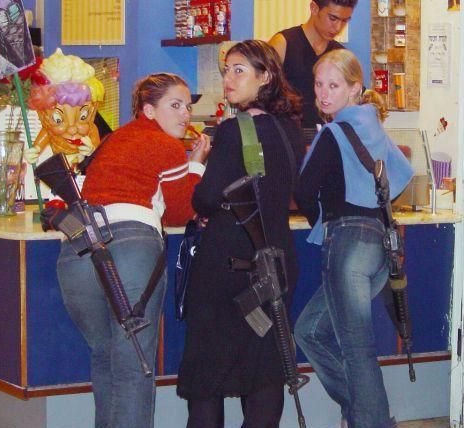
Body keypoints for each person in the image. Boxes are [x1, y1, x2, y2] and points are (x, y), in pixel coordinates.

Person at [52, 73, 210, 428]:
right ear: (148, 110)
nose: (185, 114)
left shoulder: (113, 140)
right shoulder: (166, 144)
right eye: (175, 105)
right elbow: (181, 211)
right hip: (130, 250)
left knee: (105, 357)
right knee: (133, 366)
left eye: (187, 107)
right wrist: (197, 163)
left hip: (77, 252)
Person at [177, 40, 304, 427]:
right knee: (265, 372)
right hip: (276, 263)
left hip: (228, 267)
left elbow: (205, 198)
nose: (228, 79)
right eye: (226, 71)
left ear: (264, 77)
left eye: (239, 70)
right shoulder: (290, 130)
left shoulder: (233, 131)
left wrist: (196, 165)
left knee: (207, 377)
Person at [294, 49, 413, 428]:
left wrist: (323, 221)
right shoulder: (374, 127)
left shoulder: (332, 133)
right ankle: (363, 412)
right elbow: (402, 175)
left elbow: (303, 189)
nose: (323, 93)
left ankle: (372, 421)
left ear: (354, 89)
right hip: (380, 248)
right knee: (309, 331)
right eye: (319, 84)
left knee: (356, 348)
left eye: (334, 86)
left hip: (346, 246)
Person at [268, 0, 357, 130]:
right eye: (333, 18)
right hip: (286, 135)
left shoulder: (340, 54)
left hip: (325, 136)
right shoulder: (282, 44)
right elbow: (261, 95)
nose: (338, 28)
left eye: (344, 21)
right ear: (314, 8)